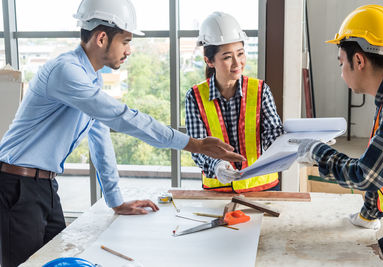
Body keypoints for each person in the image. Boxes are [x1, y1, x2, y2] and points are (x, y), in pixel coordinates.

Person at [0, 1, 245, 266]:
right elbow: (123, 117)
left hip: (44, 186)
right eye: (125, 41)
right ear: (102, 38)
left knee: (59, 261)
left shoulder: (90, 78)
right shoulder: (66, 72)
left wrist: (115, 201)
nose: (129, 51)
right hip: (16, 186)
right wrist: (194, 145)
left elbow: (100, 138)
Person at [292, 4, 383, 265]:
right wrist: (369, 212)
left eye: (341, 63)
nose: (341, 73)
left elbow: (367, 174)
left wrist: (317, 152)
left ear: (359, 60)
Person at [185, 12, 283, 193]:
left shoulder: (261, 91)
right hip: (218, 190)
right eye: (227, 57)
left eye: (240, 54)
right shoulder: (195, 97)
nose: (237, 63)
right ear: (209, 61)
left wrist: (293, 146)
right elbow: (198, 146)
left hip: (263, 189)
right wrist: (217, 166)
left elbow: (273, 133)